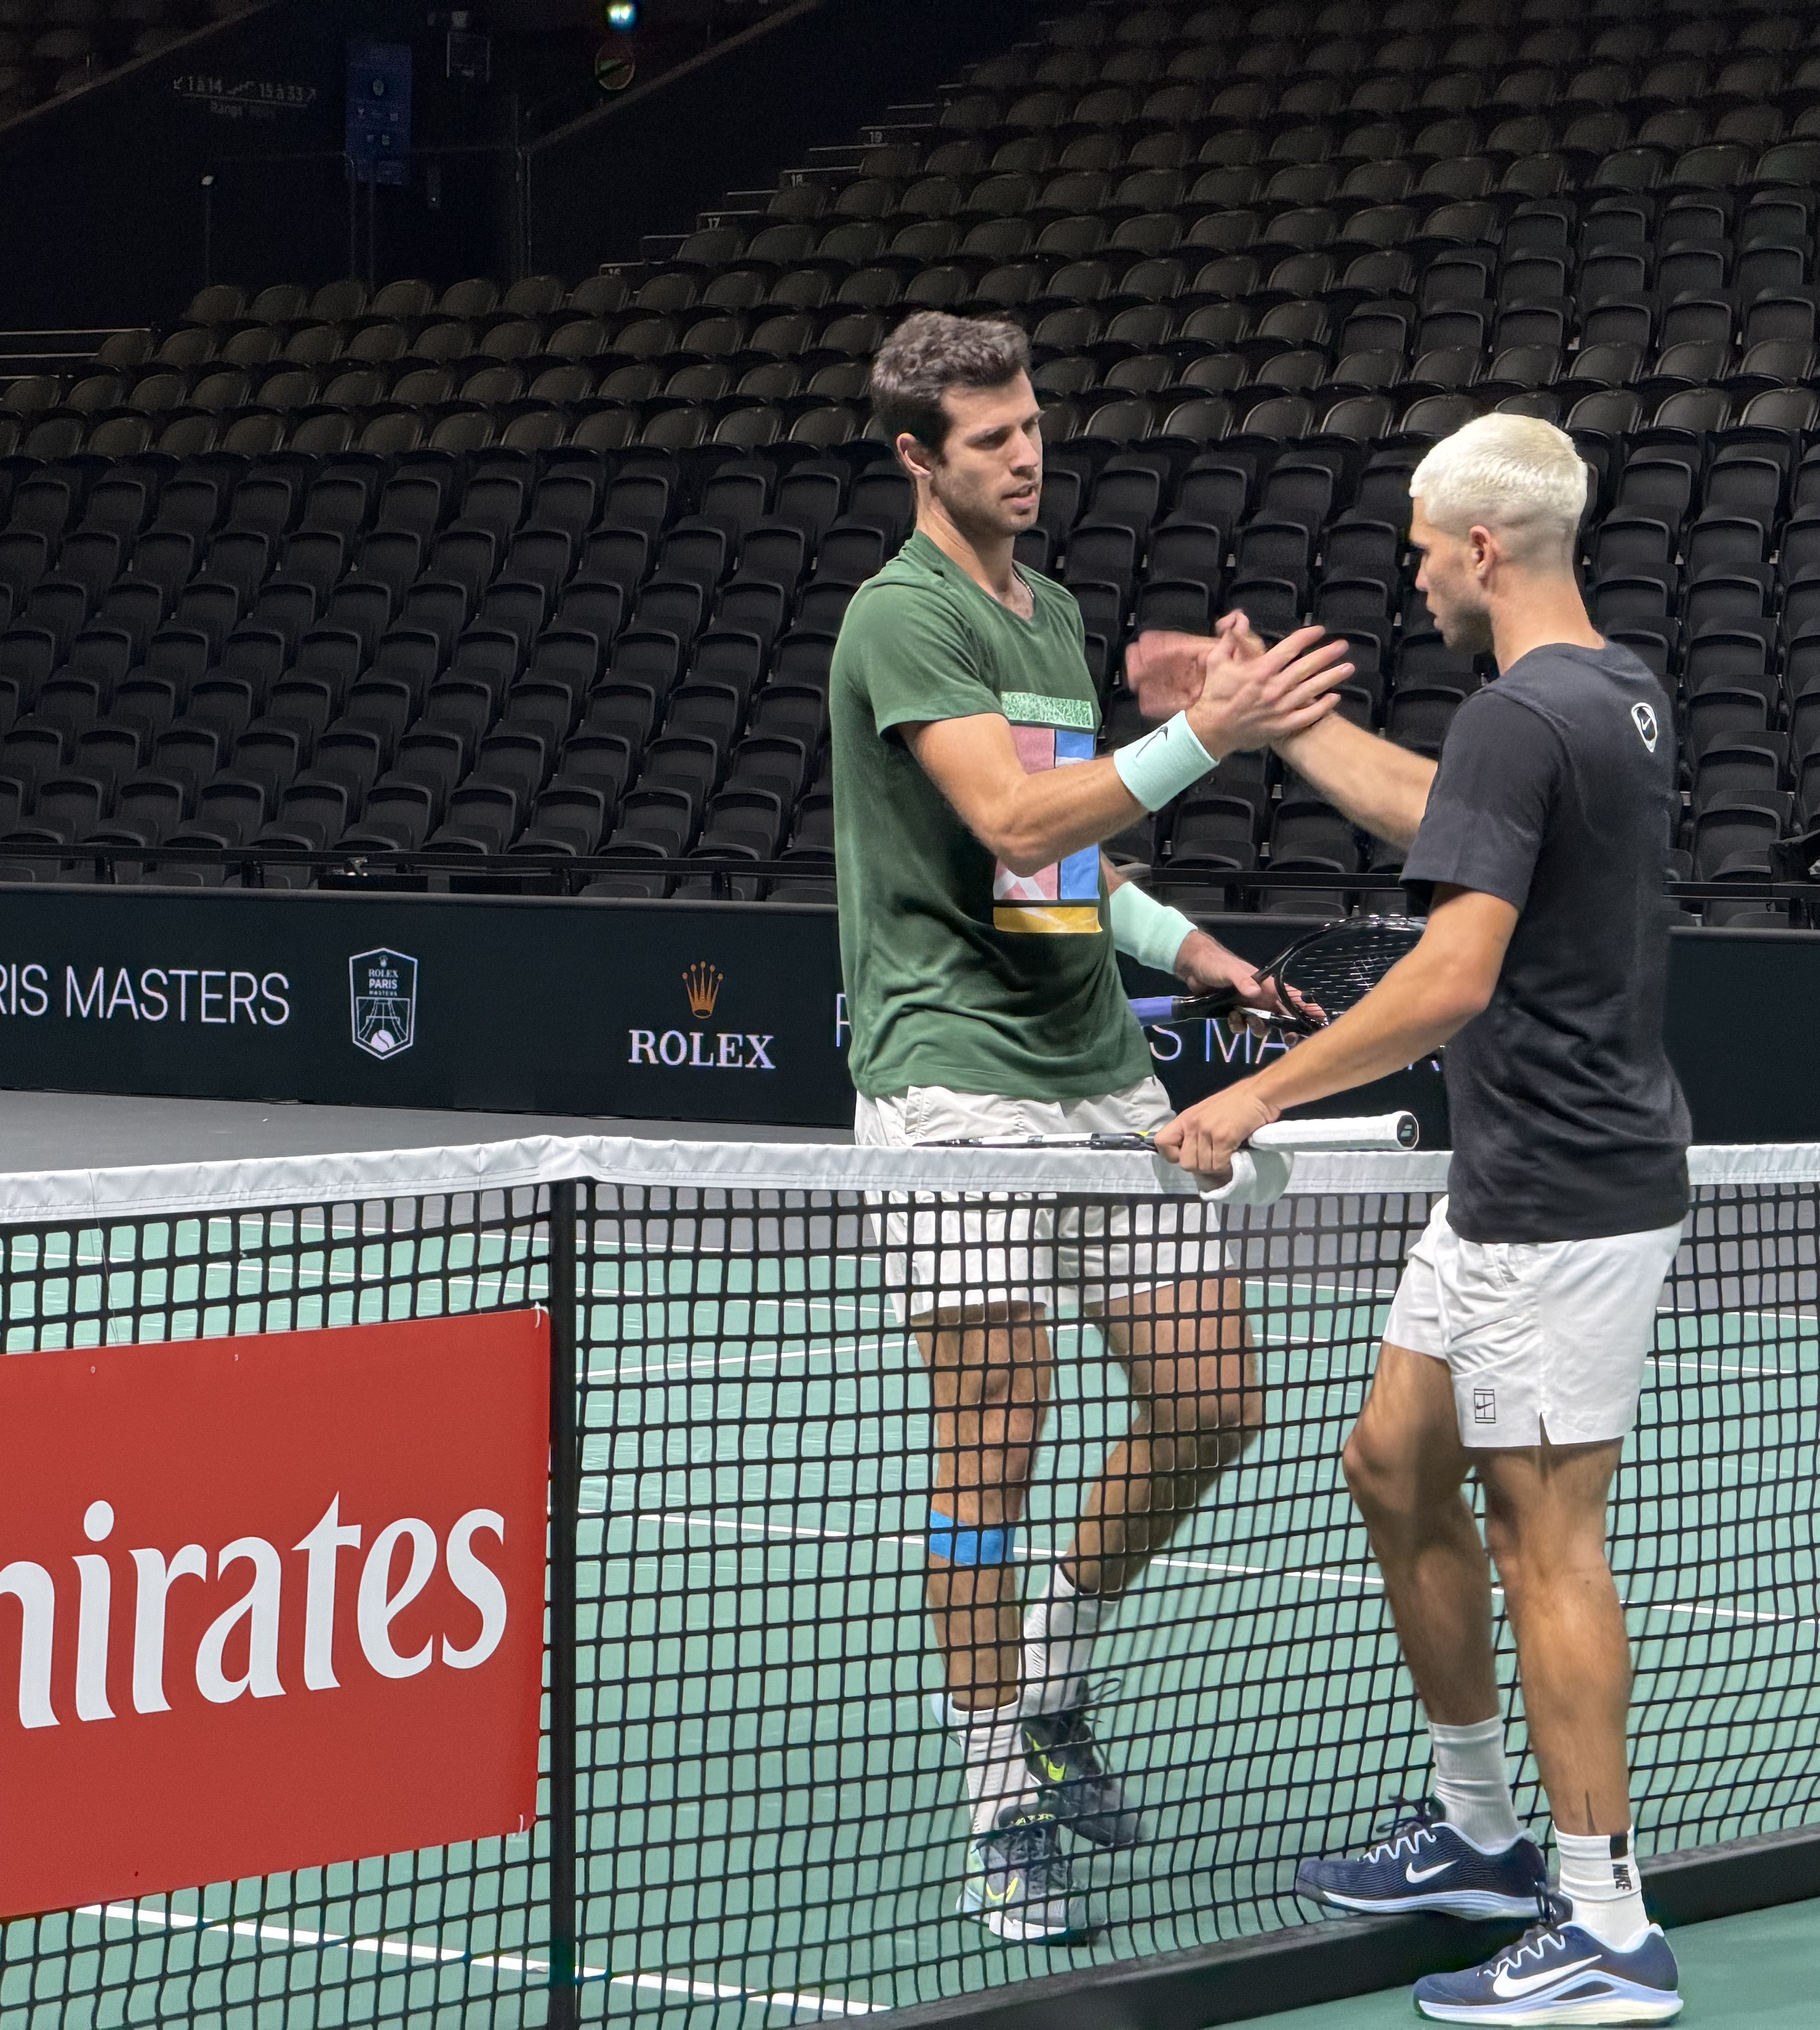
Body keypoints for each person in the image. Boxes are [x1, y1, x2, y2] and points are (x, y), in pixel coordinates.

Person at [1156, 413, 1693, 2025]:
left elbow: (1451, 975)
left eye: (1415, 545)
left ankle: (1606, 1923)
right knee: (1392, 1460)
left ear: (1480, 550)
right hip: (1510, 1187)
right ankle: (1478, 1832)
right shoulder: (1607, 690)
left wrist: (1251, 1099)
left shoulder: (1527, 715)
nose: (1405, 570)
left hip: (1557, 1201)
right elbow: (1444, 804)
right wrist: (1273, 727)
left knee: (1549, 1542)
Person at [829, 311, 1353, 1943]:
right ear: (921, 457)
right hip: (953, 1081)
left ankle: (1049, 1673)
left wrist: (1198, 957)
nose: (1028, 454)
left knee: (1213, 1397)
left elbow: (1063, 866)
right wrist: (1215, 730)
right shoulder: (900, 618)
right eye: (991, 439)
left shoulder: (1048, 613)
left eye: (1034, 425)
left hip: (1091, 1059)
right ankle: (997, 1792)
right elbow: (1008, 811)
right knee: (997, 1425)